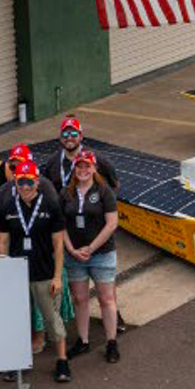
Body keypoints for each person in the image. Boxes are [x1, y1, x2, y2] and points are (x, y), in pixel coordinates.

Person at [0, 160, 70, 382]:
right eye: (21, 182)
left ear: (37, 182)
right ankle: (20, 362)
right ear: (16, 182)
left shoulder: (50, 205)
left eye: (30, 181)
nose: (26, 187)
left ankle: (62, 361)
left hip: (44, 273)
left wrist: (57, 277)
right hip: (18, 275)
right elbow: (3, 242)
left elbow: (58, 245)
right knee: (20, 320)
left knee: (52, 319)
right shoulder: (9, 208)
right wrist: (4, 271)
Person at [61, 153, 120, 364]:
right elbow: (61, 226)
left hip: (102, 254)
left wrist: (91, 248)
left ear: (94, 168)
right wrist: (71, 249)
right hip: (74, 256)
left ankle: (111, 342)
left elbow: (111, 223)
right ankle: (83, 340)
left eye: (87, 166)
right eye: (79, 166)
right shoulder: (66, 193)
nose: (83, 170)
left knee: (106, 299)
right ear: (74, 169)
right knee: (80, 298)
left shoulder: (104, 192)